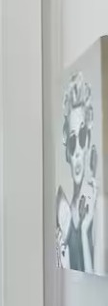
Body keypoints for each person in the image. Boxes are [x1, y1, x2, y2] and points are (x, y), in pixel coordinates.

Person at [58, 72, 99, 271]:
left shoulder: (98, 206)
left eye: (82, 137)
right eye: (72, 141)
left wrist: (84, 232)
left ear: (88, 140)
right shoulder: (63, 208)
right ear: (66, 150)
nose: (76, 153)